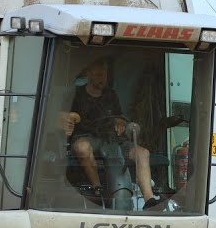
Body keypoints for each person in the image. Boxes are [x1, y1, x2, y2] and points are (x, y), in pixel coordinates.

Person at [64, 60, 166, 211]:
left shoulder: (111, 95)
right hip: (87, 137)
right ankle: (97, 189)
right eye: (98, 75)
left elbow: (120, 118)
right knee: (82, 147)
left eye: (104, 75)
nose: (102, 79)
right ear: (88, 75)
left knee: (143, 153)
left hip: (113, 140)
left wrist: (120, 123)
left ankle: (149, 199)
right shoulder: (76, 95)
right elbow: (63, 116)